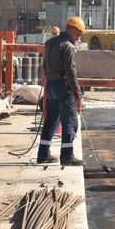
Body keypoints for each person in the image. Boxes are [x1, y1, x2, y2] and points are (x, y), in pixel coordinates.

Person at [37, 16, 86, 166]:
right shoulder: (67, 46)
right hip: (63, 87)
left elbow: (44, 66)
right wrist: (78, 94)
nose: (78, 39)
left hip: (51, 86)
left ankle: (43, 154)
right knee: (70, 121)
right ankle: (67, 156)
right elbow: (71, 72)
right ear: (71, 29)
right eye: (77, 35)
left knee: (51, 120)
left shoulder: (50, 43)